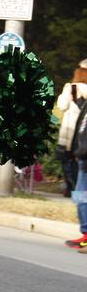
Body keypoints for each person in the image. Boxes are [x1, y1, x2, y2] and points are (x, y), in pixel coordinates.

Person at [63, 60, 87, 251]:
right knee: (80, 195)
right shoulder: (82, 101)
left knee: (81, 195)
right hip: (82, 155)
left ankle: (86, 234)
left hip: (85, 157)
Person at [55, 61, 87, 199]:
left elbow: (62, 106)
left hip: (71, 134)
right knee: (82, 167)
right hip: (84, 135)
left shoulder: (71, 88)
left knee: (68, 163)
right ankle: (78, 195)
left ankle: (75, 194)